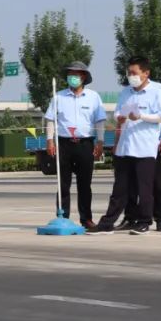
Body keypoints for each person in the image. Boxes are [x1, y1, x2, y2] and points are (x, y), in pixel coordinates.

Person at [89, 56, 161, 235]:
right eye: (129, 73)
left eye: (134, 73)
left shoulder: (157, 90)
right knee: (120, 189)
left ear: (146, 73)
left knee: (145, 188)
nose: (130, 76)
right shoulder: (126, 92)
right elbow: (118, 111)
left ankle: (144, 221)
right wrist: (120, 117)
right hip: (126, 147)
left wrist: (141, 116)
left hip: (145, 148)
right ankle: (107, 223)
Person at [44, 62, 106, 228]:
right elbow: (51, 119)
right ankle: (62, 216)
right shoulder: (59, 97)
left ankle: (86, 218)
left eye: (76, 74)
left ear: (83, 77)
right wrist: (50, 140)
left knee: (84, 184)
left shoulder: (94, 97)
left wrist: (100, 141)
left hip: (85, 144)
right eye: (70, 73)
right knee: (63, 183)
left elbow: (100, 121)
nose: (72, 77)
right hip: (63, 144)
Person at [120, 114, 161, 232]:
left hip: (153, 146)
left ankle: (160, 219)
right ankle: (130, 218)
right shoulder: (130, 95)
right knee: (131, 184)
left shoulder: (158, 95)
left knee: (156, 184)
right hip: (133, 146)